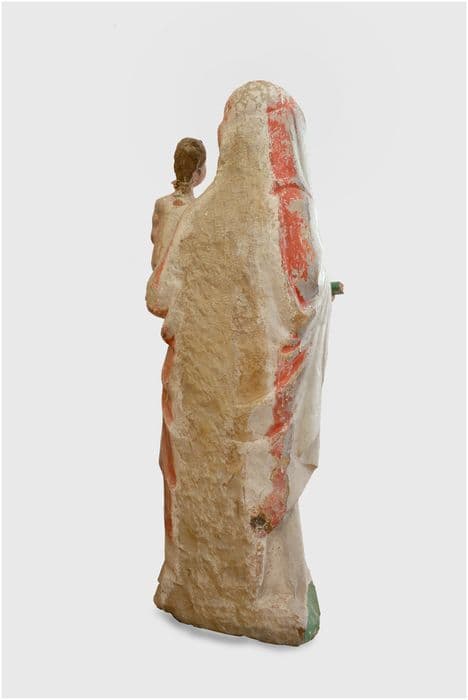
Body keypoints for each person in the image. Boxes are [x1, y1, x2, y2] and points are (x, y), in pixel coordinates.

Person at [146, 81, 333, 645]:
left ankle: (190, 592)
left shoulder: (195, 217)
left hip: (195, 402)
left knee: (201, 494)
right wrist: (325, 300)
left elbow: (161, 297)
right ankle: (262, 606)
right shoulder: (281, 214)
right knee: (249, 501)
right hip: (249, 409)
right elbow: (301, 296)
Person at [150, 137, 206, 271]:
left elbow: (155, 238)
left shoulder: (161, 204)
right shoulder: (197, 208)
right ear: (198, 173)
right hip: (176, 275)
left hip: (156, 273)